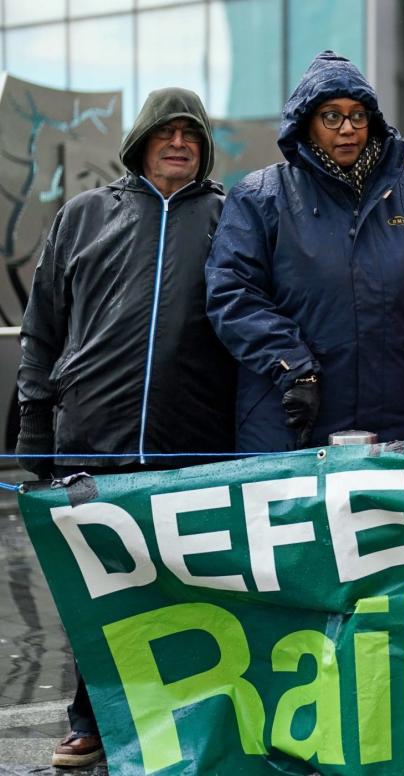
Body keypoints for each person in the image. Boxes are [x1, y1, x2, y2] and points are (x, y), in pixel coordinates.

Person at [16, 88, 235, 768]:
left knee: (192, 591)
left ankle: (190, 723)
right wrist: (34, 429)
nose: (178, 143)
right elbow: (41, 331)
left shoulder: (230, 219)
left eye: (191, 134)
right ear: (140, 140)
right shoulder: (82, 216)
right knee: (100, 593)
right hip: (94, 442)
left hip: (194, 442)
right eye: (165, 132)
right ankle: (92, 720)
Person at [206, 51, 404, 449]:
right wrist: (292, 365)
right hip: (290, 417)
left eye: (358, 115)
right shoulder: (259, 198)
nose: (347, 129)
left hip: (396, 419)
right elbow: (232, 295)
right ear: (306, 123)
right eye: (331, 116)